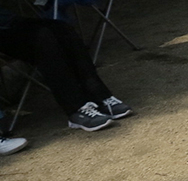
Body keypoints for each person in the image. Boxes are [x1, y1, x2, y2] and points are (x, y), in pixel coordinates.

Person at [0, 12, 133, 137]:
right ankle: (76, 108)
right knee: (41, 37)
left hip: (7, 20)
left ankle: (100, 96)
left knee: (62, 29)